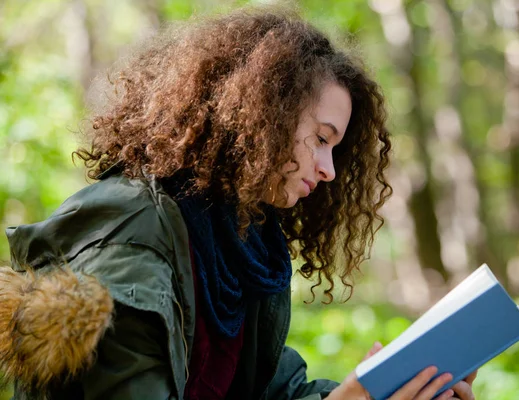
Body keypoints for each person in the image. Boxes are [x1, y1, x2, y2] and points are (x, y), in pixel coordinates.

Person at [0, 8, 477, 400]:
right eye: (320, 139)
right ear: (260, 119)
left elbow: (271, 390)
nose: (329, 170)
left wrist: (386, 391)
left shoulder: (241, 244)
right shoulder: (135, 243)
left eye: (336, 149)